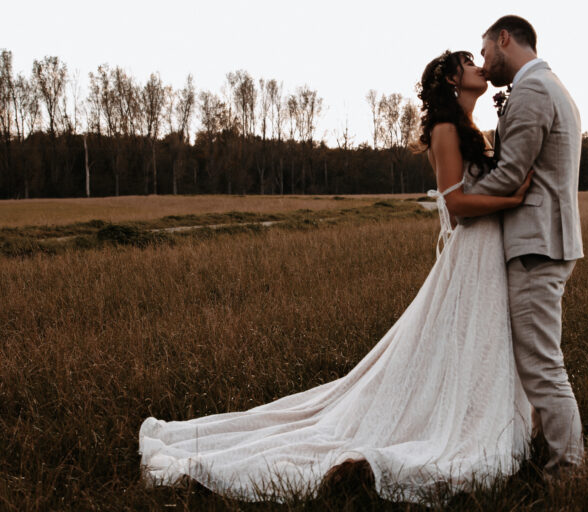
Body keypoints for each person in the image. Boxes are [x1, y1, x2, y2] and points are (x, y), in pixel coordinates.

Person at [138, 51, 534, 504]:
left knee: (476, 346)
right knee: (462, 345)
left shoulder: (473, 129)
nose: (479, 66)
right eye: (468, 61)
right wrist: (513, 200)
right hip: (472, 251)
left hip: (488, 253)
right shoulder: (446, 130)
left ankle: (482, 414)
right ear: (450, 78)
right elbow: (457, 205)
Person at [462, 15, 585, 477]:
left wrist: (459, 200)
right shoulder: (549, 86)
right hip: (547, 239)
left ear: (505, 39)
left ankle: (567, 469)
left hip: (537, 244)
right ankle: (540, 449)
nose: (485, 60)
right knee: (535, 359)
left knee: (541, 365)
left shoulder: (533, 91)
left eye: (487, 49)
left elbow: (512, 174)